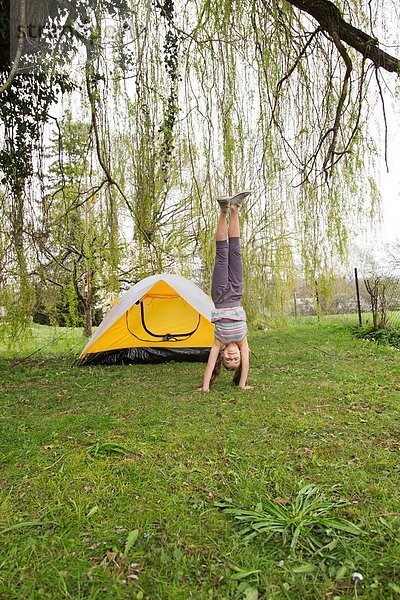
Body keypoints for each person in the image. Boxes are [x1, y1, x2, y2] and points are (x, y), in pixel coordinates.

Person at [200, 190, 252, 391]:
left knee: (223, 252)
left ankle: (223, 211)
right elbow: (246, 365)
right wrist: (242, 385)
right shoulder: (243, 340)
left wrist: (205, 388)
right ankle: (234, 208)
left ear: (223, 356)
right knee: (236, 251)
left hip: (221, 295)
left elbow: (210, 365)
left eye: (228, 360)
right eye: (235, 360)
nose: (232, 357)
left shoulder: (218, 342)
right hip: (237, 294)